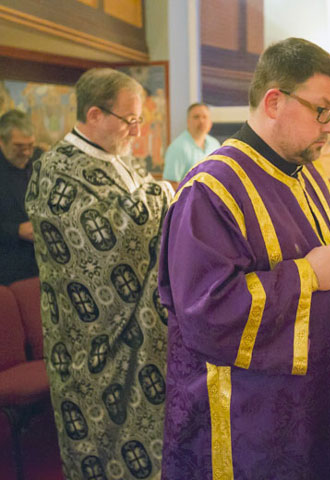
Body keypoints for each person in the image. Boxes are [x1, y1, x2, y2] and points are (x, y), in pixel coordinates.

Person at [158, 37, 330, 479]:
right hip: (253, 416)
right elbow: (206, 313)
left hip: (322, 401)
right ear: (273, 102)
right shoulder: (211, 191)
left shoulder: (308, 176)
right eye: (322, 111)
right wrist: (305, 275)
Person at [25, 68, 173, 480]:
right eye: (130, 120)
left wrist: (155, 194)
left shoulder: (115, 159)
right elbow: (107, 241)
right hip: (90, 341)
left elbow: (138, 206)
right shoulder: (57, 170)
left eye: (140, 120)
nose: (137, 131)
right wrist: (164, 193)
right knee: (100, 446)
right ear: (94, 114)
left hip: (137, 336)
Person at [0, 109, 44, 285]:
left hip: (41, 264)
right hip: (7, 268)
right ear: (2, 141)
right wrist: (16, 230)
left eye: (30, 145)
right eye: (19, 146)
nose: (27, 152)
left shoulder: (40, 158)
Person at [162, 102, 221, 185]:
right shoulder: (177, 148)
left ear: (210, 123)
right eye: (196, 117)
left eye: (205, 117)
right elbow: (170, 184)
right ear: (188, 121)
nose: (201, 121)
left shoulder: (215, 145)